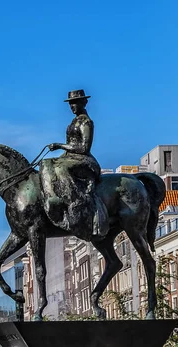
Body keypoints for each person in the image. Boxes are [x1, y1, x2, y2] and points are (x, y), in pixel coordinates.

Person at [40, 89, 109, 238]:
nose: (72, 106)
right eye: (70, 103)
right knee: (45, 163)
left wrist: (59, 146)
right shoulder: (74, 122)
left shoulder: (86, 122)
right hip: (71, 158)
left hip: (85, 160)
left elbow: (84, 148)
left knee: (61, 169)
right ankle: (52, 196)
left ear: (84, 102)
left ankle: (74, 201)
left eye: (75, 103)